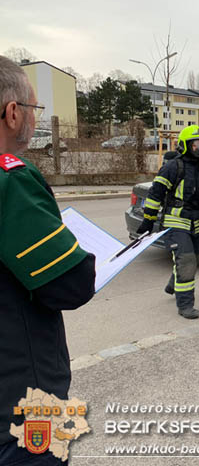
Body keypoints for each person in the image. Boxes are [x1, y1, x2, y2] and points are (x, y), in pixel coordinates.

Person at [0, 55, 96, 464]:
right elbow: (70, 285)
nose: (36, 119)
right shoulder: (11, 181)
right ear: (12, 113)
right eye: (35, 109)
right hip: (20, 401)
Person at [137, 125, 199, 319]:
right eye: (197, 144)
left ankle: (173, 284)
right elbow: (155, 195)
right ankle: (185, 305)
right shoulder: (173, 167)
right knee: (186, 261)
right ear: (186, 145)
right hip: (176, 222)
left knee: (193, 260)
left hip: (198, 224)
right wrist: (148, 221)